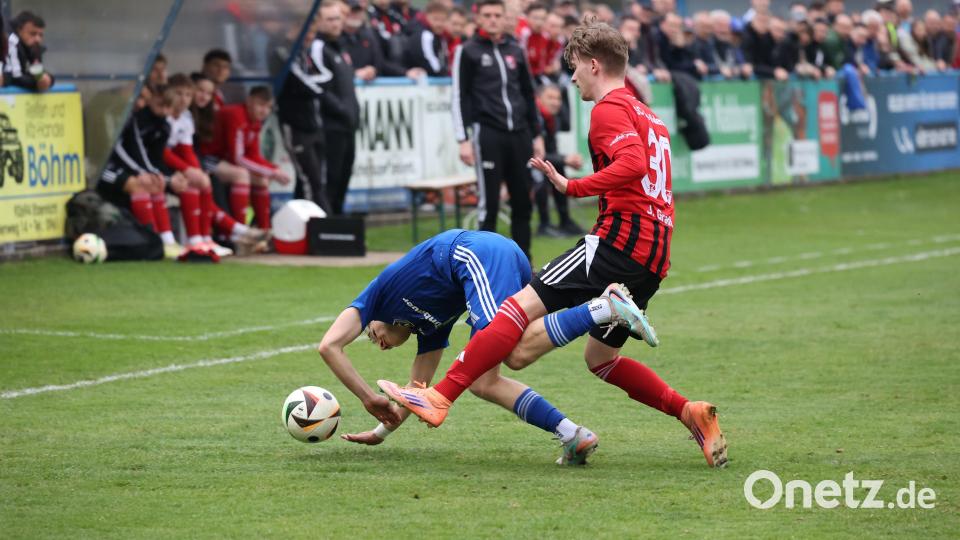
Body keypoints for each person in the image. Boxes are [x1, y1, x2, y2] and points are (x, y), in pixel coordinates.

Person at [381, 20, 728, 469]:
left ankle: (441, 396)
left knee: (517, 308)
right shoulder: (649, 115)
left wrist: (573, 186)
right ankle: (689, 410)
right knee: (600, 359)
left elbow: (632, 163)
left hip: (618, 240)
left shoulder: (607, 109)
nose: (572, 78)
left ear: (595, 64)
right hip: (654, 253)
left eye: (575, 68)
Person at [319, 229, 607, 464]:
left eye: (371, 334)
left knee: (510, 352)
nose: (378, 344)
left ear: (373, 318)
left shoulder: (377, 295)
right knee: (485, 381)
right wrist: (380, 433)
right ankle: (572, 434)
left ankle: (601, 309)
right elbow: (418, 389)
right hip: (490, 263)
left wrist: (368, 398)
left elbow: (329, 346)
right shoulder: (430, 329)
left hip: (473, 255)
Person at [451, 0, 544, 260]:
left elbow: (528, 94)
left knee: (523, 203)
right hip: (488, 134)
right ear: (478, 18)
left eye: (497, 15)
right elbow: (459, 96)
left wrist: (537, 134)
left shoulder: (516, 48)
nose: (493, 20)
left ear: (505, 18)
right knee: (489, 204)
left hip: (521, 135)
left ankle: (525, 266)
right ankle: (483, 265)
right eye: (487, 15)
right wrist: (463, 139)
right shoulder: (467, 51)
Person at [163, 74, 264, 256]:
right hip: (161, 166)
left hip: (185, 164)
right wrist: (189, 170)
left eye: (187, 94)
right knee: (193, 183)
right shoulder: (164, 117)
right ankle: (199, 239)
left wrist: (196, 171)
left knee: (204, 181)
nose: (184, 99)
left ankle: (206, 239)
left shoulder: (186, 117)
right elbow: (162, 151)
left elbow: (186, 149)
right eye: (179, 94)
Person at [97, 86, 186, 259]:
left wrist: (152, 172)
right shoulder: (108, 112)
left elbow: (137, 147)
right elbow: (113, 148)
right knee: (138, 185)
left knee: (155, 184)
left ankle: (167, 240)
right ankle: (152, 242)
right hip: (99, 167)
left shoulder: (132, 115)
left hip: (121, 166)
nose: (141, 103)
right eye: (138, 96)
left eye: (144, 98)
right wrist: (140, 172)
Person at [208, 86, 291, 232]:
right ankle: (241, 232)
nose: (264, 111)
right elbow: (238, 158)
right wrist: (272, 172)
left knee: (262, 179)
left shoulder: (255, 122)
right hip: (207, 158)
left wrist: (273, 169)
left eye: (268, 107)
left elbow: (254, 155)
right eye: (260, 105)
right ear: (249, 101)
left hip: (224, 161)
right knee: (242, 175)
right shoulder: (236, 115)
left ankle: (264, 230)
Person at [275, 26, 331, 213]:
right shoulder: (282, 50)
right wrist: (318, 87)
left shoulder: (304, 52)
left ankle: (317, 226)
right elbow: (303, 83)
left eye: (314, 32)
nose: (310, 37)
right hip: (295, 125)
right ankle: (315, 227)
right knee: (310, 180)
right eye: (307, 31)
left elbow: (327, 76)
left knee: (317, 180)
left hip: (314, 124)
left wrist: (316, 85)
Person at [313, 0, 360, 215]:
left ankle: (339, 223)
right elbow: (319, 87)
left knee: (343, 179)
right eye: (330, 19)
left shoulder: (340, 47)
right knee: (329, 180)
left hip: (347, 127)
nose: (335, 24)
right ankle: (327, 226)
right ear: (318, 22)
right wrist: (341, 111)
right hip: (330, 127)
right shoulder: (318, 47)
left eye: (338, 18)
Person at [533, 84, 583, 238]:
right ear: (539, 99)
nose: (556, 102)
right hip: (522, 164)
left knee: (558, 169)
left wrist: (565, 159)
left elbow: (550, 151)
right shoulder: (533, 117)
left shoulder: (551, 118)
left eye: (558, 99)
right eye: (550, 98)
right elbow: (535, 154)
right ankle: (544, 225)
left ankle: (565, 221)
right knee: (541, 175)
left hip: (536, 161)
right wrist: (564, 159)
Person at [5, 11, 53, 92]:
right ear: (19, 30)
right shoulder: (10, 41)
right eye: (32, 34)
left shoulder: (33, 47)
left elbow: (36, 72)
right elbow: (14, 77)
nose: (37, 39)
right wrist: (37, 83)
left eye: (40, 35)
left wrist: (49, 79)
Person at [403, 1, 449, 77]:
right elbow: (434, 67)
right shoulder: (425, 35)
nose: (439, 24)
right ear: (426, 17)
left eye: (443, 20)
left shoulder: (440, 36)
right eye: (436, 19)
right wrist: (443, 74)